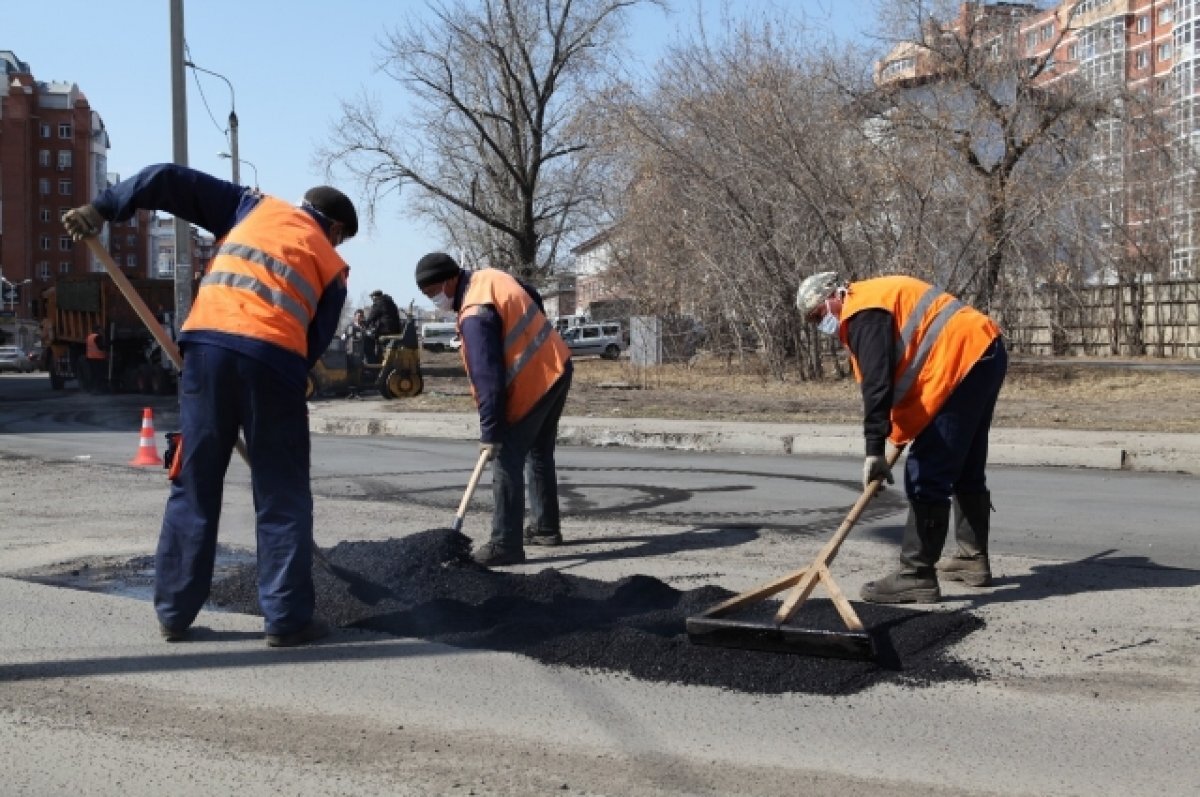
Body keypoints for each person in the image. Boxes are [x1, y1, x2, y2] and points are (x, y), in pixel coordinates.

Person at [63, 164, 358, 646]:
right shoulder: (331, 265)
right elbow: (313, 345)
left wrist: (103, 207)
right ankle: (286, 618)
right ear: (338, 230)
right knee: (282, 492)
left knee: (194, 483)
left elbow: (166, 177)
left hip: (206, 352)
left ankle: (175, 614)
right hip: (276, 361)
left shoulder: (252, 208)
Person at [795, 271, 1008, 604]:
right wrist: (895, 434)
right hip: (981, 351)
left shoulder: (862, 314)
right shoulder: (874, 300)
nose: (822, 324)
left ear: (834, 296)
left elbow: (877, 385)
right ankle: (972, 559)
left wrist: (873, 451)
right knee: (965, 465)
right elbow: (904, 377)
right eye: (813, 321)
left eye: (820, 314)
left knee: (927, 472)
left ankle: (916, 575)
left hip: (959, 361)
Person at [414, 252, 573, 566]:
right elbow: (532, 294)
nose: (434, 300)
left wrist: (491, 432)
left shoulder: (474, 314)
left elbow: (488, 379)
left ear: (447, 281)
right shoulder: (489, 278)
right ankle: (544, 528)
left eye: (433, 293)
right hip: (557, 365)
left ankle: (505, 545)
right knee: (538, 452)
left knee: (504, 458)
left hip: (536, 381)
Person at [84, 325, 108, 393]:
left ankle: (92, 389)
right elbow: (100, 346)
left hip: (91, 358)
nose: (102, 331)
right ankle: (98, 389)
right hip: (98, 358)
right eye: (101, 330)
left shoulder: (89, 336)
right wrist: (107, 346)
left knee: (94, 375)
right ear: (97, 330)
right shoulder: (98, 337)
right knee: (99, 375)